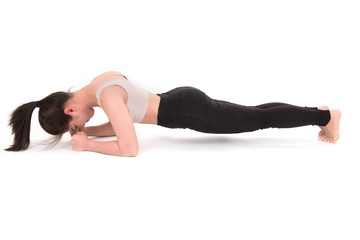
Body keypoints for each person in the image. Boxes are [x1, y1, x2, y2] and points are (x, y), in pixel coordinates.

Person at [5, 71, 341, 157]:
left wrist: (88, 145)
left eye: (75, 124)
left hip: (187, 112)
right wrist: (90, 134)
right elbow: (126, 117)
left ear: (69, 110)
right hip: (179, 99)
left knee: (256, 119)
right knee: (253, 114)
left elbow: (129, 146)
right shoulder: (98, 84)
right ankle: (317, 113)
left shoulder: (106, 97)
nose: (83, 124)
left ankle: (325, 118)